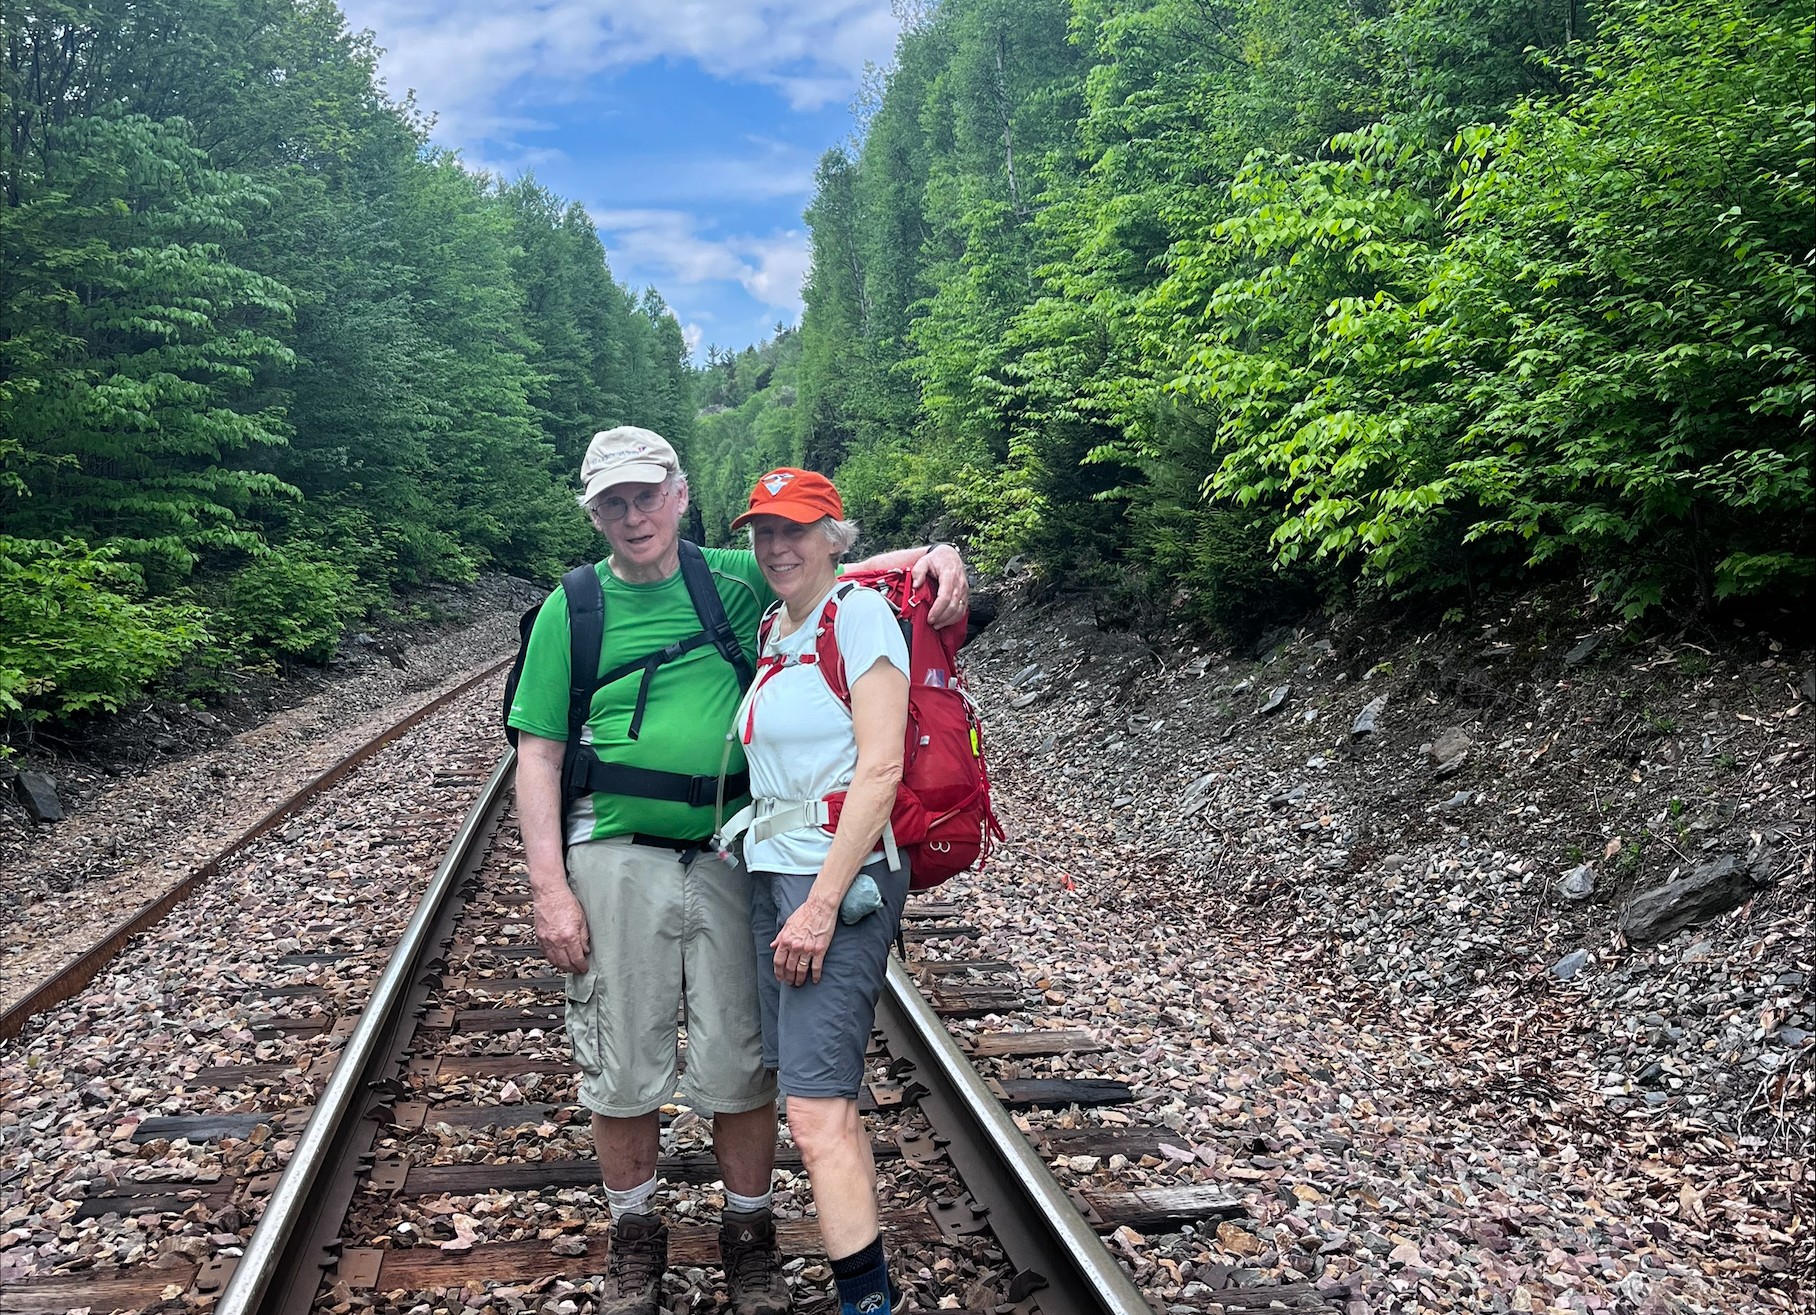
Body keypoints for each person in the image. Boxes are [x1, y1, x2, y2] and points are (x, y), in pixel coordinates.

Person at [507, 429, 965, 1315]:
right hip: (614, 852)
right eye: (613, 502)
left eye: (647, 496)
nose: (633, 515)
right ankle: (636, 1236)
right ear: (594, 512)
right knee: (622, 1060)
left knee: (739, 1061)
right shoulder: (574, 608)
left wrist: (938, 555)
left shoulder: (739, 571)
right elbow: (538, 754)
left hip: (732, 854)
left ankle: (747, 1236)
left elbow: (836, 566)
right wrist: (548, 887)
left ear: (681, 496)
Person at [726, 468, 916, 1315]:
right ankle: (869, 1293)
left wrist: (820, 901)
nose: (776, 546)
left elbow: (881, 767)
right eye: (764, 531)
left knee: (813, 1112)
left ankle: (868, 1304)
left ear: (833, 535)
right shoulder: (779, 625)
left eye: (795, 529)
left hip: (836, 877)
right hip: (777, 872)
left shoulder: (861, 615)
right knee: (819, 1098)